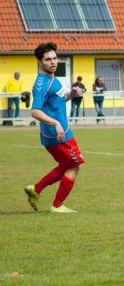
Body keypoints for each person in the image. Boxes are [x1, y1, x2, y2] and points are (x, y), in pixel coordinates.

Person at [24, 42, 85, 213]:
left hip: (60, 132)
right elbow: (35, 111)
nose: (53, 62)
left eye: (54, 58)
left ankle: (35, 189)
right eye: (48, 59)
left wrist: (71, 94)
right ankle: (57, 205)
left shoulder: (52, 78)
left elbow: (56, 102)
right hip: (58, 135)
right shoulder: (41, 84)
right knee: (74, 166)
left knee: (67, 165)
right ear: (40, 62)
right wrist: (56, 124)